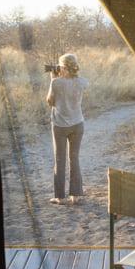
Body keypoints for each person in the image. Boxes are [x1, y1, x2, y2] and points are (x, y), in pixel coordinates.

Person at [46, 53, 89, 205]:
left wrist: (53, 79)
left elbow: (50, 102)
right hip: (77, 124)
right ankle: (75, 196)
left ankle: (60, 197)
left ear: (63, 67)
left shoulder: (56, 82)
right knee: (74, 158)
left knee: (60, 160)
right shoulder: (83, 81)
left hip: (60, 125)